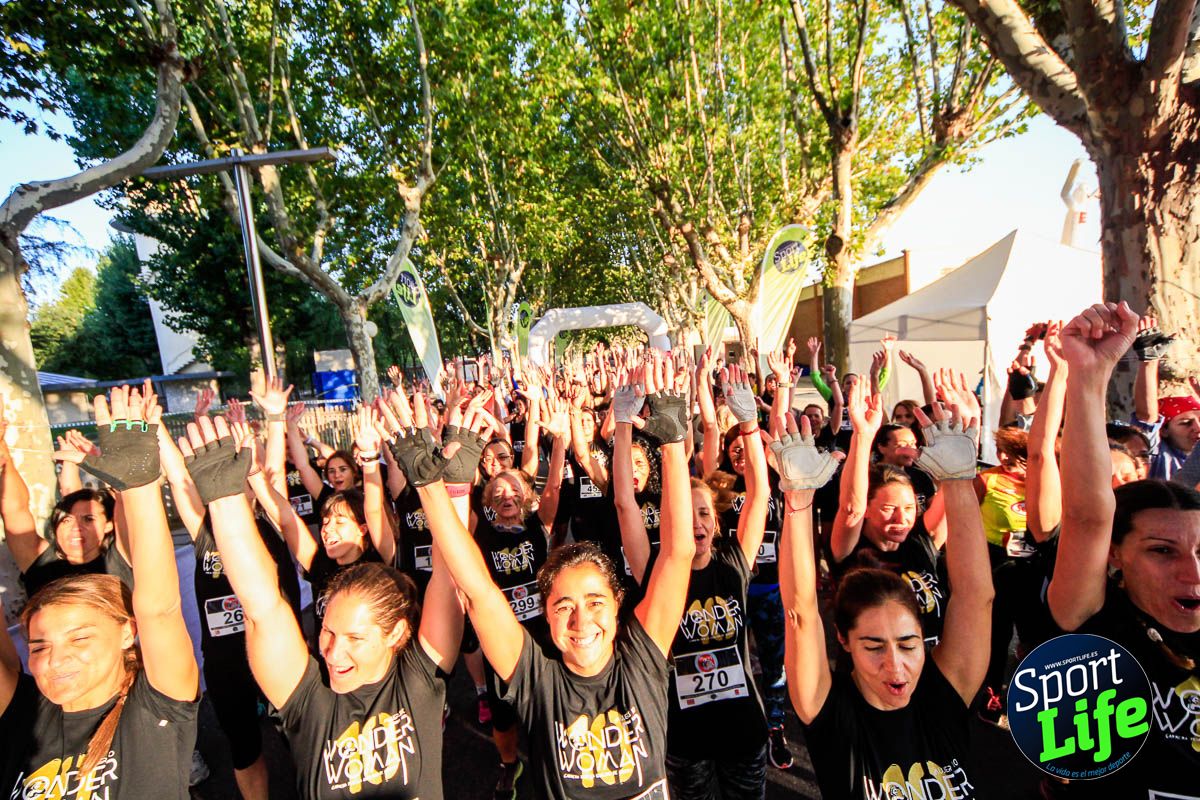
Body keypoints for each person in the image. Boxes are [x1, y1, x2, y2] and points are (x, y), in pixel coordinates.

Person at [414, 350, 696, 799]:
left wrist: (675, 441)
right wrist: (441, 490)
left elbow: (679, 553)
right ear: (545, 614)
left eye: (595, 603)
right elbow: (480, 594)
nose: (581, 622)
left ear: (619, 605)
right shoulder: (537, 681)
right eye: (564, 606)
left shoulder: (643, 662)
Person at [183, 407, 464, 799]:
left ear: (396, 632)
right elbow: (263, 605)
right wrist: (229, 496)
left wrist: (418, 477)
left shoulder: (417, 682)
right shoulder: (311, 702)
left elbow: (448, 573)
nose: (331, 651)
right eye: (327, 631)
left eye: (354, 636)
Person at [778, 392, 994, 800]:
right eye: (874, 646)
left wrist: (959, 481)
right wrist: (798, 500)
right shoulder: (830, 712)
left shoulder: (943, 696)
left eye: (908, 645)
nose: (895, 665)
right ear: (843, 641)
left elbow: (976, 597)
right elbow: (800, 612)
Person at [1, 386, 200, 799]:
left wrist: (137, 485)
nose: (55, 658)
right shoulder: (24, 711)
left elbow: (160, 609)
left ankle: (187, 751)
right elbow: (15, 513)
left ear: (126, 629)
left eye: (79, 636)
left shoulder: (150, 707)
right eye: (37, 645)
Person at [1047, 300, 1199, 797]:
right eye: (1162, 551)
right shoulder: (1094, 619)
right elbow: (1088, 516)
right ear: (1115, 554)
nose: (1192, 571)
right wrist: (1088, 377)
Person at [624, 364, 777, 798]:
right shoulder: (657, 571)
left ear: (717, 521)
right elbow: (623, 505)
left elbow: (760, 496)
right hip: (684, 739)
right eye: (685, 515)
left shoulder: (734, 559)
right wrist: (625, 428)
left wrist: (749, 425)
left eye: (705, 513)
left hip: (744, 731)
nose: (696, 523)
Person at [829, 379, 953, 646]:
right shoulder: (851, 551)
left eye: (909, 509)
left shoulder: (921, 542)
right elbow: (850, 509)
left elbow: (954, 489)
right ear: (868, 511)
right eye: (888, 509)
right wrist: (863, 435)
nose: (901, 519)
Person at [0, 395, 133, 597]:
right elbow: (14, 510)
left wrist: (108, 470)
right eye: (66, 519)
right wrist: (2, 446)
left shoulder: (121, 558)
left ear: (109, 524)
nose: (75, 528)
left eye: (88, 519)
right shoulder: (41, 563)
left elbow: (130, 507)